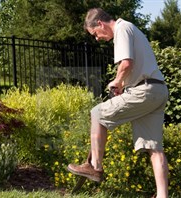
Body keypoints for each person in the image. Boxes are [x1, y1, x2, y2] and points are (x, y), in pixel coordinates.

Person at [67, 8, 169, 198]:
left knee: (97, 113)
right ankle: (163, 196)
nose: (97, 38)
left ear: (100, 23)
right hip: (158, 90)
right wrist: (124, 84)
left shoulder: (121, 29)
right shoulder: (132, 29)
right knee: (155, 149)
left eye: (95, 34)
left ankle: (95, 167)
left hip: (144, 90)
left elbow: (126, 63)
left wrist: (117, 82)